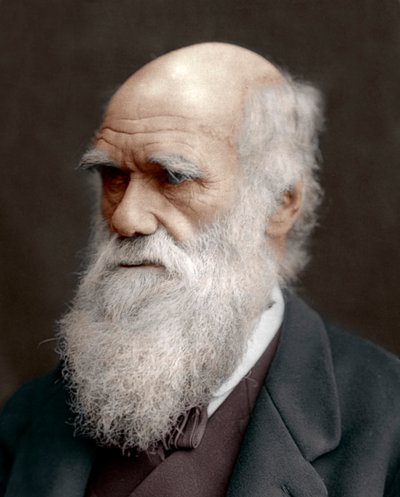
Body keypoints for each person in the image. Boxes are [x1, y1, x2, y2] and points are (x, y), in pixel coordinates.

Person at [0, 42, 399, 497]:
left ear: (279, 204)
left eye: (174, 177)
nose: (126, 218)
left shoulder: (389, 429)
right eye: (114, 176)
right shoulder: (25, 418)